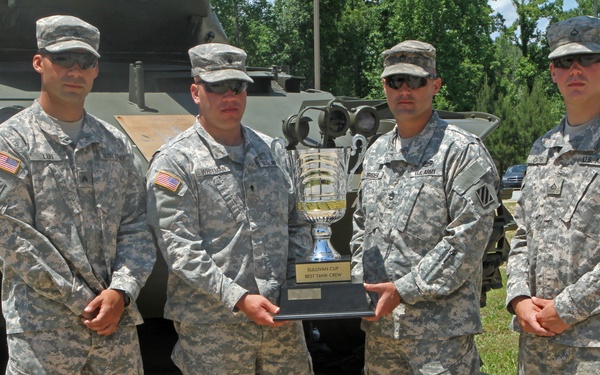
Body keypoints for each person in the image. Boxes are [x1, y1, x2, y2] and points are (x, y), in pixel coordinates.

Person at [0, 15, 156, 374]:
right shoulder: (11, 142)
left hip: (115, 333)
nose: (75, 70)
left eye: (85, 62)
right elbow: (13, 237)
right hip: (44, 335)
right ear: (39, 62)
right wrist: (84, 301)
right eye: (63, 59)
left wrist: (121, 291)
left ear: (96, 69)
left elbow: (137, 225)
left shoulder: (114, 143)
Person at [146, 43, 313, 375]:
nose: (229, 96)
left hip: (280, 320)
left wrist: (294, 287)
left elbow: (299, 223)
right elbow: (180, 249)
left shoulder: (272, 151)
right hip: (214, 326)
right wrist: (239, 298)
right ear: (196, 91)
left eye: (237, 87)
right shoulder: (175, 161)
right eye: (216, 87)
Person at [350, 40, 500, 374]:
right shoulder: (375, 153)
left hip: (439, 336)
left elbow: (469, 237)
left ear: (435, 85)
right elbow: (362, 225)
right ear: (384, 87)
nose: (404, 90)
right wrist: (359, 282)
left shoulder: (461, 152)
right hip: (381, 332)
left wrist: (404, 290)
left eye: (415, 81)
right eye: (394, 81)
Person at [506, 15, 600, 374]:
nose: (575, 68)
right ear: (552, 71)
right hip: (537, 347)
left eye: (588, 58)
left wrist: (570, 306)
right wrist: (518, 299)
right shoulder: (542, 148)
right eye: (564, 61)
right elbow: (524, 233)